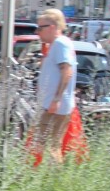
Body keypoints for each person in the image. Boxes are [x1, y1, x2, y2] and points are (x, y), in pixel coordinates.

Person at [33, 8, 77, 164]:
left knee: (48, 146)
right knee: (47, 145)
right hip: (53, 104)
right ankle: (49, 180)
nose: (38, 32)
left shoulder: (60, 43)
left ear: (52, 27)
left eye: (40, 28)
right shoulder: (58, 44)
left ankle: (53, 182)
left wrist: (56, 99)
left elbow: (67, 71)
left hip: (54, 106)